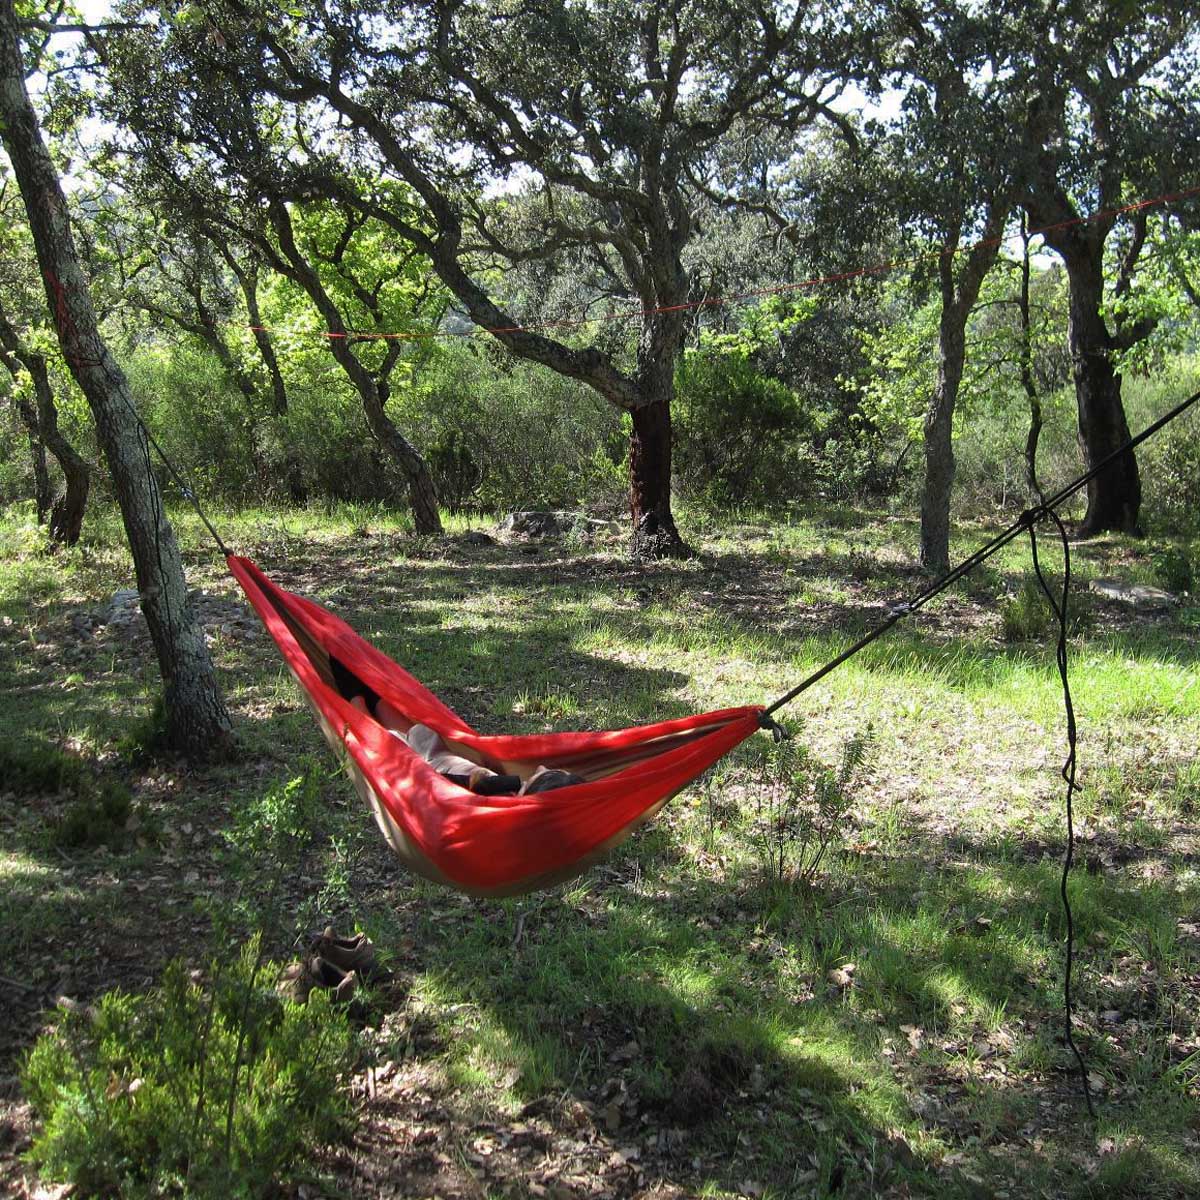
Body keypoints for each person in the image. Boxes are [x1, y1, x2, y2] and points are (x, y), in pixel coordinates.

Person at [348, 693, 585, 795]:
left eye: (543, 774)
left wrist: (507, 779)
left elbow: (460, 782)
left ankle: (349, 690)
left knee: (361, 713)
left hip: (418, 762)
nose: (540, 767)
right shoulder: (511, 791)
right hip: (434, 752)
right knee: (377, 699)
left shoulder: (505, 792)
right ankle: (356, 678)